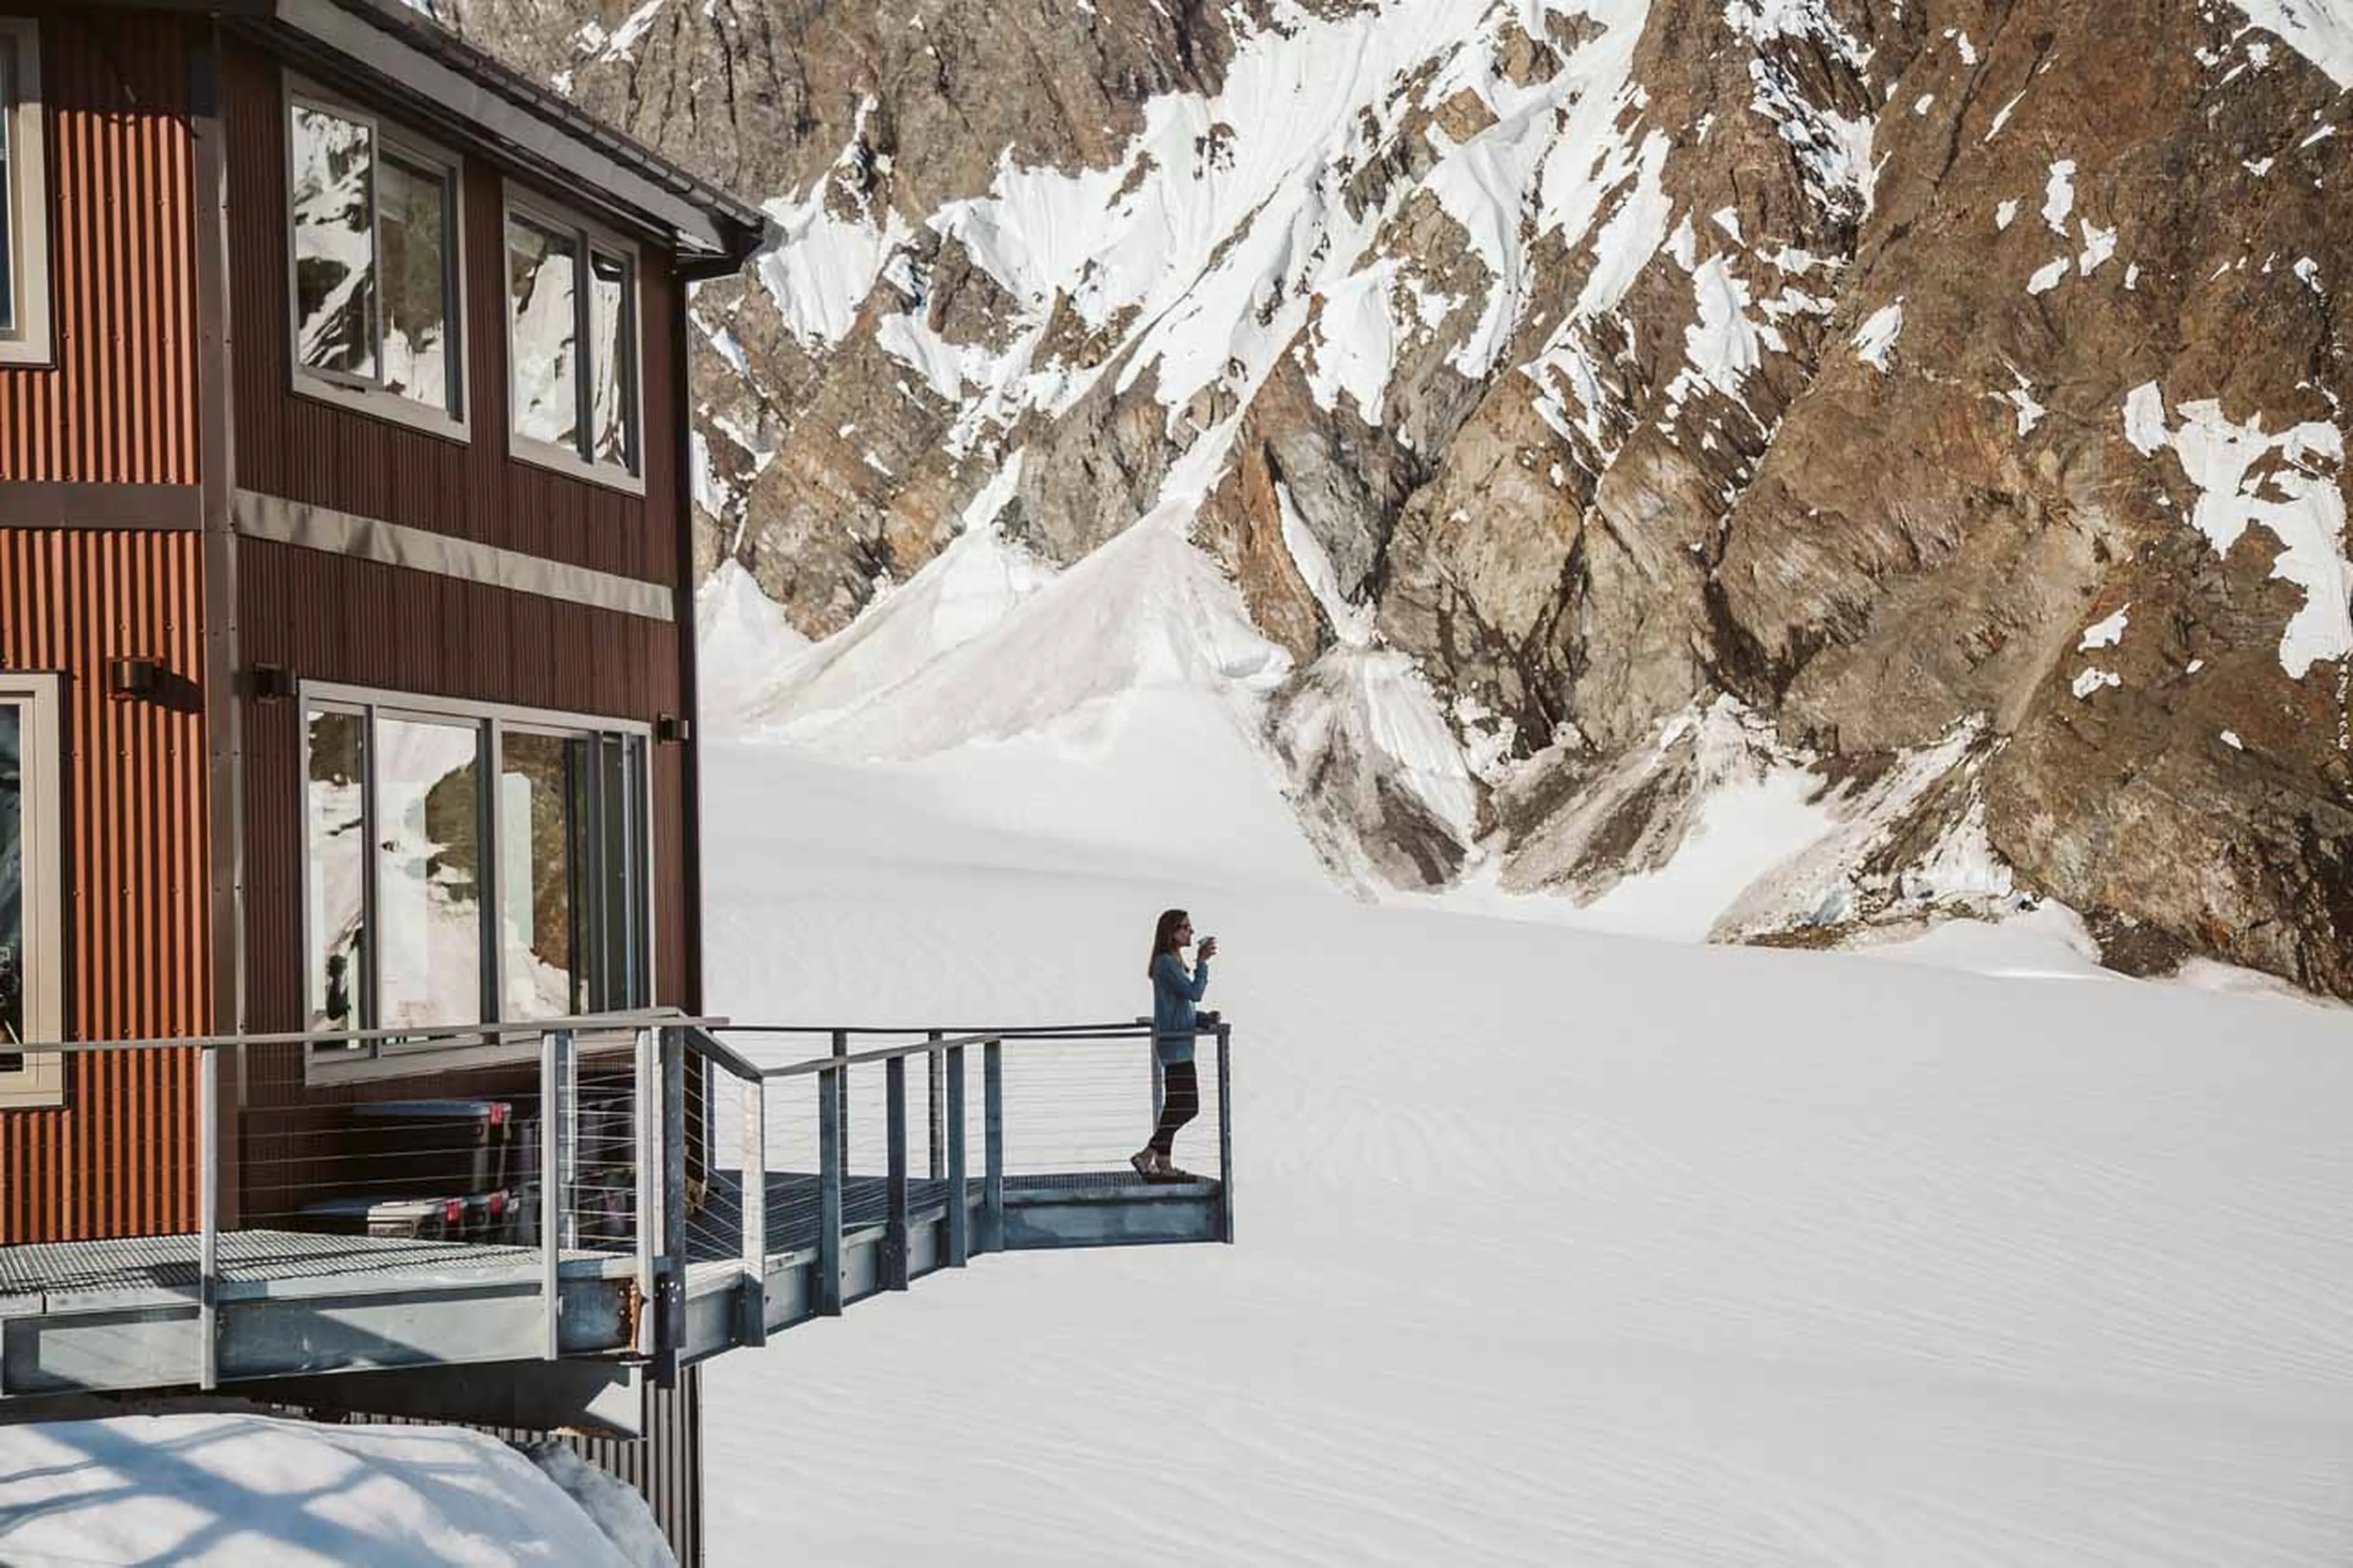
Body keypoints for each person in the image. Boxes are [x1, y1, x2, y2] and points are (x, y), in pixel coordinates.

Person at [1135, 909, 1215, 1178]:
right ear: (1171, 933)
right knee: (1187, 1107)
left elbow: (1182, 1004)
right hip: (1175, 1045)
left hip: (1179, 1042)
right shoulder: (1167, 964)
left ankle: (1164, 1163)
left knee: (1176, 1105)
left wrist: (1201, 1019)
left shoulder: (1171, 962)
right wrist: (1203, 963)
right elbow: (1195, 993)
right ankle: (1147, 1154)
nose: (1190, 932)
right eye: (1185, 927)